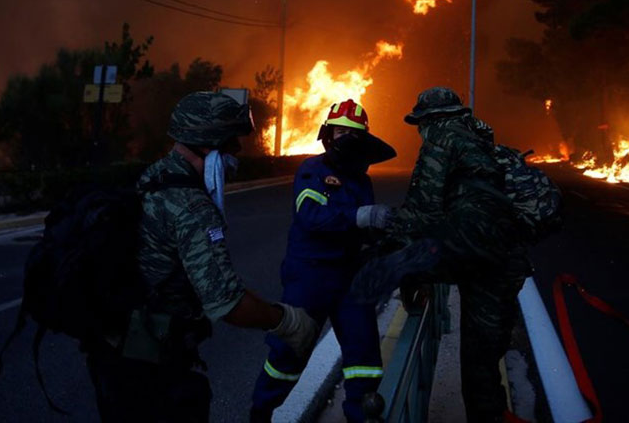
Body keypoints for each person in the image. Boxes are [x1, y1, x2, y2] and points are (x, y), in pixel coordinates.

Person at [86, 91, 320, 423]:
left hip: (112, 352)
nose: (236, 156)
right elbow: (227, 303)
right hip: (150, 366)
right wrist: (286, 322)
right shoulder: (193, 208)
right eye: (232, 145)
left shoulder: (154, 177)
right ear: (208, 147)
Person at [353, 87, 532, 423]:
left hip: (471, 249)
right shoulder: (481, 140)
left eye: (420, 123)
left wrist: (392, 243)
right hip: (504, 262)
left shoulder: (442, 138)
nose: (420, 131)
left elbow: (423, 210)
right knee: (482, 366)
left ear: (430, 118)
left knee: (377, 270)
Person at [250, 99, 396, 423]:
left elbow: (364, 231)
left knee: (365, 355)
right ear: (328, 135)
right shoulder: (312, 170)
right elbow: (311, 216)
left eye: (353, 133)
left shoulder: (362, 181)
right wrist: (360, 216)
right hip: (309, 276)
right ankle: (260, 413)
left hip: (350, 278)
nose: (346, 138)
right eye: (341, 131)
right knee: (288, 353)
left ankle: (362, 416)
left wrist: (384, 236)